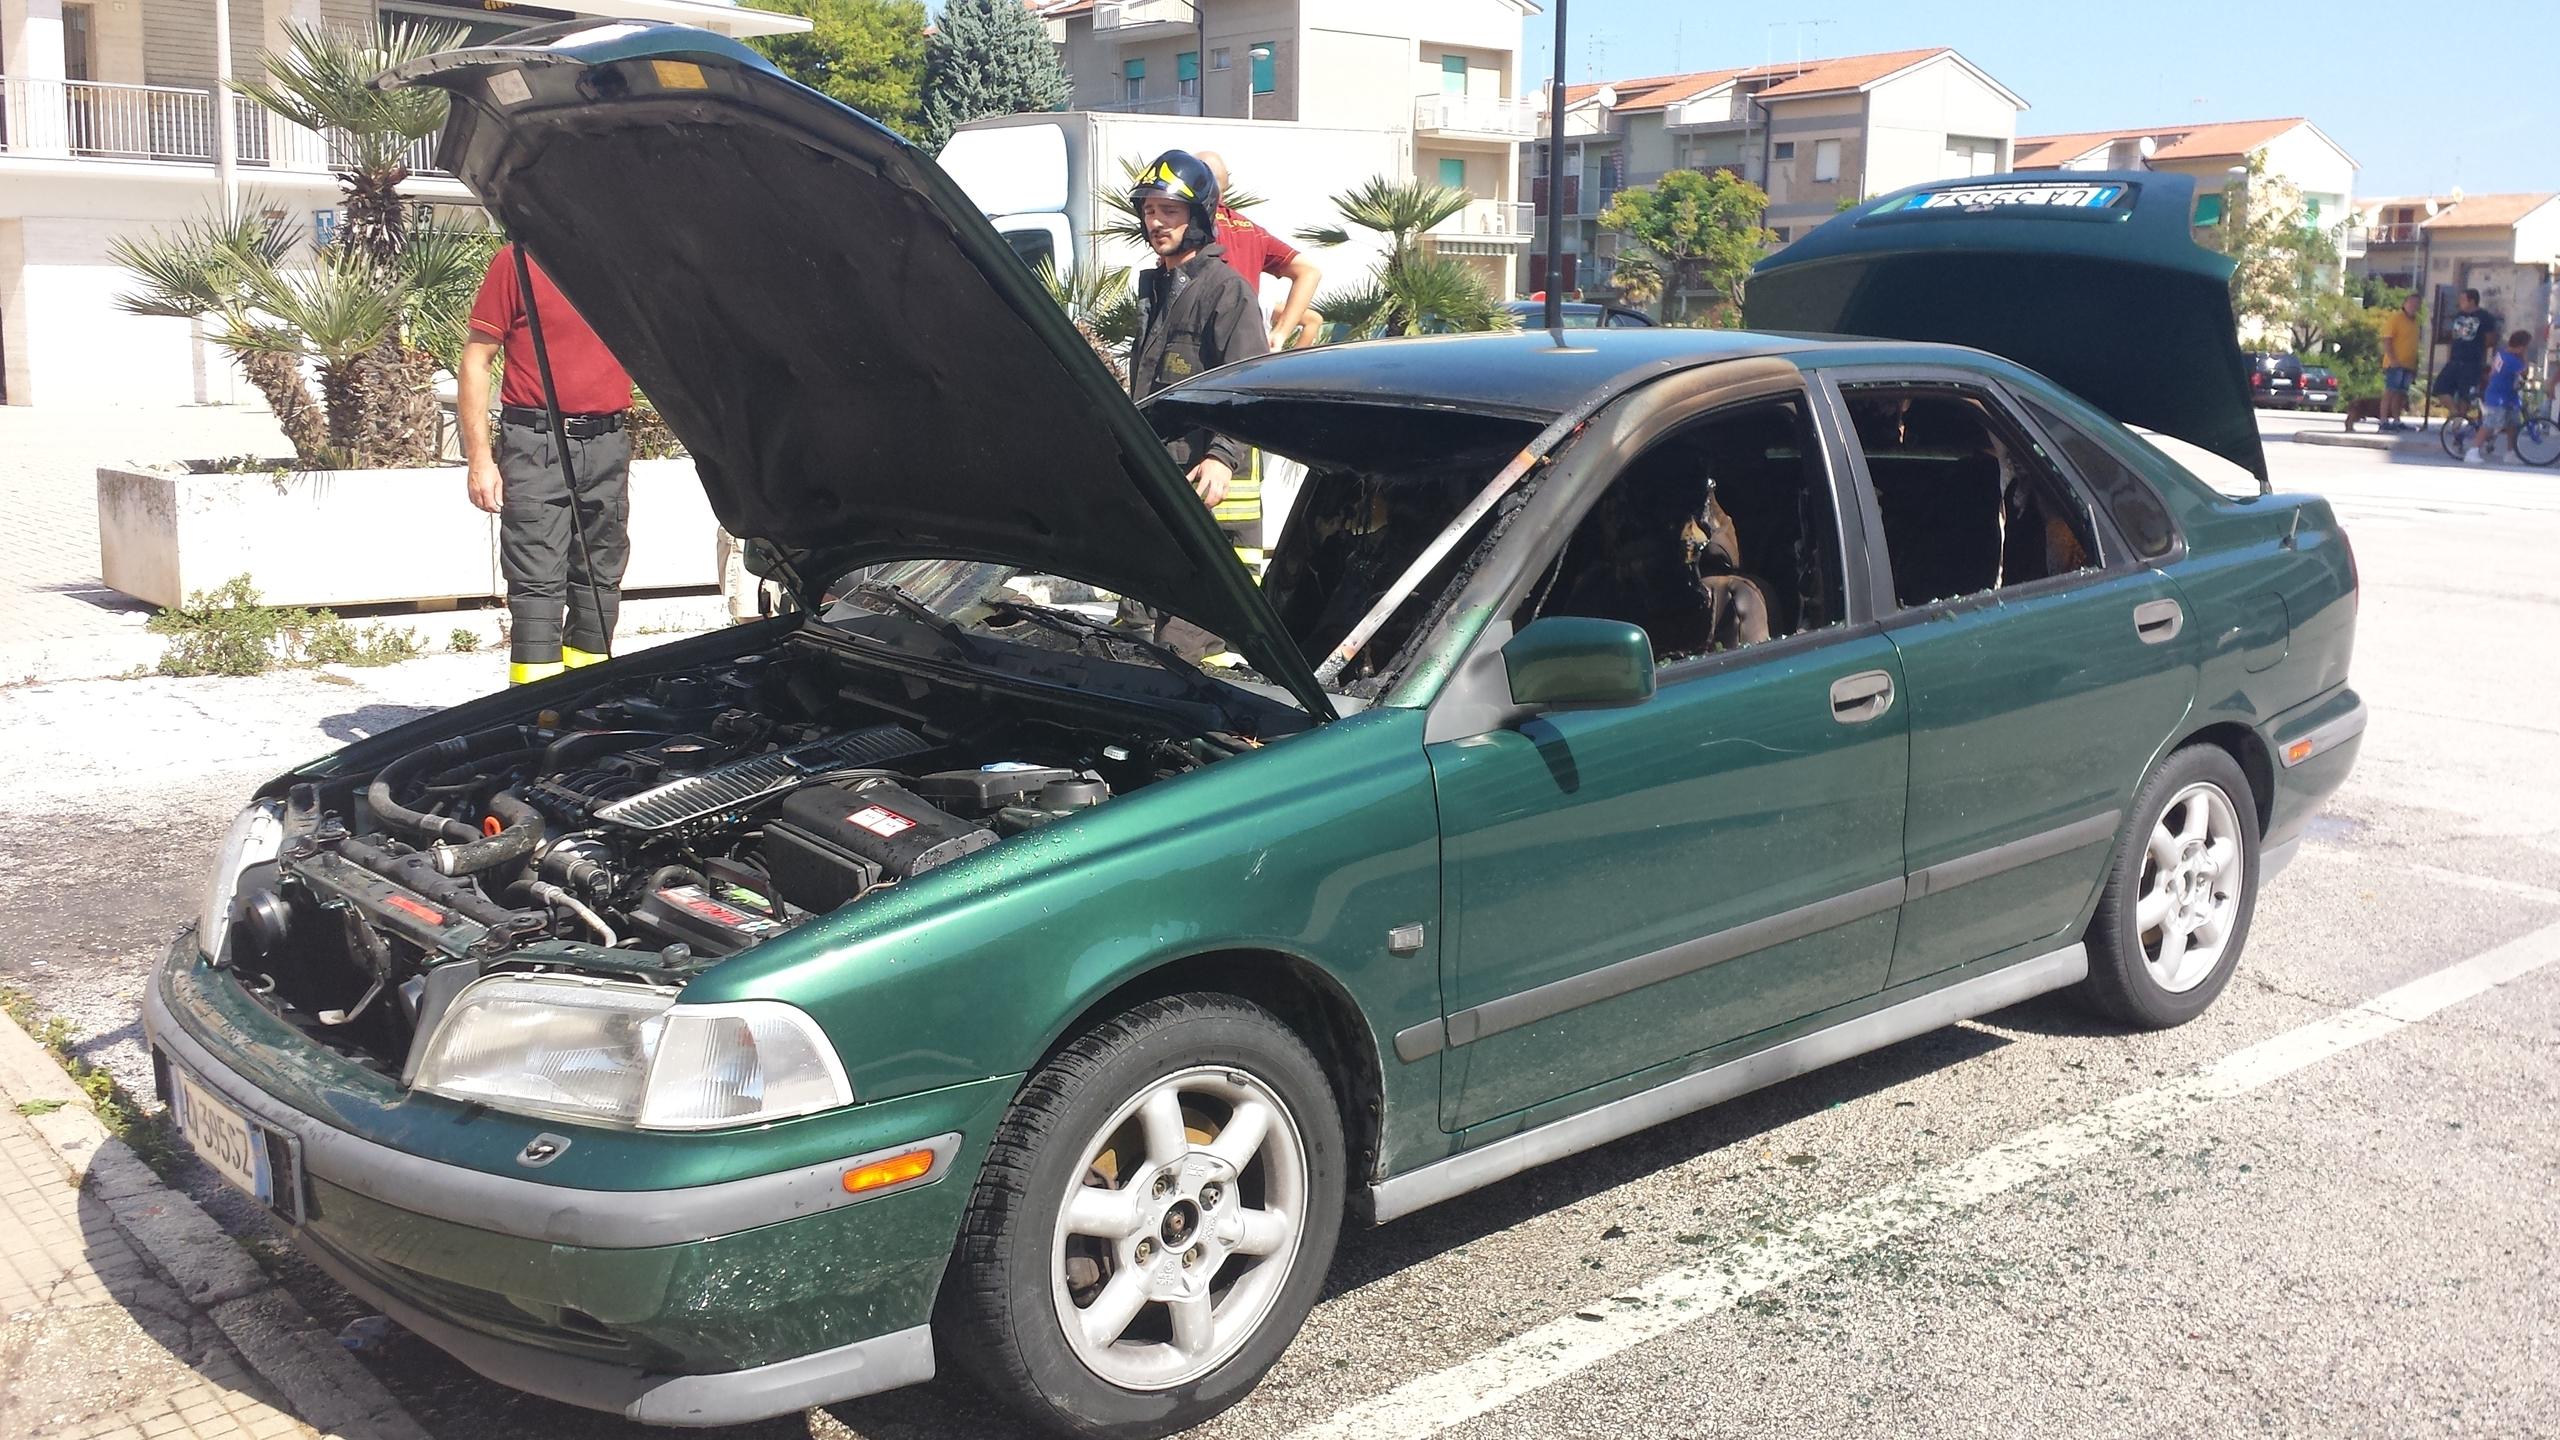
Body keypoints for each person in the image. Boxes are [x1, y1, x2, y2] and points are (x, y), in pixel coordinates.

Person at [460, 244, 635, 685]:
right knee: (537, 586)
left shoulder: (624, 261)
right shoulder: (516, 261)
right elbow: (476, 360)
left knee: (600, 581)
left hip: (608, 443)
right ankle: (537, 720)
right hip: (535, 443)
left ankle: (589, 709)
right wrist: (480, 458)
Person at [1127, 150, 1267, 507]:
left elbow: (1251, 385)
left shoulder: (1226, 291)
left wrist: (1222, 457)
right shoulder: (1159, 290)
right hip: (1165, 482)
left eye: (1169, 211)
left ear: (1199, 217)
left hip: (1215, 493)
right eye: (1149, 211)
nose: (1156, 222)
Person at [1191, 150, 1322, 351]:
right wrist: (1281, 333)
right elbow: (1309, 271)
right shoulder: (1251, 230)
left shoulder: (1191, 225)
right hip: (1245, 342)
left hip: (1199, 341)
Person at [2433, 287, 2501, 423]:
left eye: (2463, 300)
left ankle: (2459, 423)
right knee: (2440, 388)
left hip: (2472, 362)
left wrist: (2478, 348)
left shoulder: (2484, 317)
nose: (2460, 302)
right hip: (2455, 359)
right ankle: (2454, 412)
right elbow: (2454, 336)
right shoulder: (2459, 315)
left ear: (2472, 301)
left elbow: (2491, 339)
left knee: (2466, 394)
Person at [2473, 329, 2531, 464]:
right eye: (2526, 347)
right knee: (2490, 422)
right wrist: (2524, 358)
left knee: (2513, 424)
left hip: (2509, 394)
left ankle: (2511, 452)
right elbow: (2525, 373)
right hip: (2498, 395)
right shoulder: (2512, 360)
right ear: (2521, 347)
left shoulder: (2502, 354)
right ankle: (2473, 450)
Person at [2377, 293, 2422, 431]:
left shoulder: (2416, 321)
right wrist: (2393, 359)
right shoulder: (2395, 318)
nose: (2413, 306)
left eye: (2416, 304)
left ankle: (2396, 421)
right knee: (2390, 392)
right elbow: (2387, 339)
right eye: (2411, 303)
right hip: (2395, 364)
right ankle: (2383, 421)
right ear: (2405, 303)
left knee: (2401, 394)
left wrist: (2415, 364)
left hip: (2409, 364)